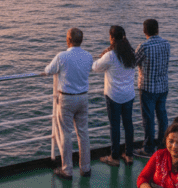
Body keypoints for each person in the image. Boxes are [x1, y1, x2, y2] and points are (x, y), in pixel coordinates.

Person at [41, 27, 93, 180]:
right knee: (83, 133)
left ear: (68, 40)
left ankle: (67, 170)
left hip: (67, 99)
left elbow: (48, 70)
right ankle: (86, 168)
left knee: (65, 134)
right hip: (83, 97)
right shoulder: (88, 56)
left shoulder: (62, 56)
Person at [92, 25, 136, 166]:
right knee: (128, 125)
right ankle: (129, 155)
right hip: (129, 94)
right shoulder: (131, 52)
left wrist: (105, 53)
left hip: (114, 96)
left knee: (115, 126)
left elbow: (95, 67)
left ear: (111, 38)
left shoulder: (110, 55)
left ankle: (114, 157)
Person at [135, 19, 171, 158]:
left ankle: (149, 148)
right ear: (158, 29)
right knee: (162, 116)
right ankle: (163, 145)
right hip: (163, 86)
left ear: (144, 31)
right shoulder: (166, 44)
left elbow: (133, 62)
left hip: (148, 87)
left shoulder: (144, 47)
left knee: (148, 119)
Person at [137, 123, 178, 188]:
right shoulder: (159, 155)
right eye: (171, 141)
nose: (174, 146)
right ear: (166, 141)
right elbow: (142, 178)